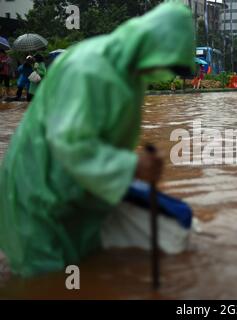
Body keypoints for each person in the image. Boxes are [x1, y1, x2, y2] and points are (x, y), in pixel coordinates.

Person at [0, 2, 195, 277]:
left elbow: (108, 141)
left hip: (79, 192)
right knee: (46, 281)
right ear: (148, 46)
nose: (163, 73)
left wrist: (129, 167)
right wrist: (132, 166)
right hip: (39, 195)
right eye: (165, 63)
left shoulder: (130, 75)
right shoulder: (89, 68)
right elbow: (71, 143)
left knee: (80, 274)